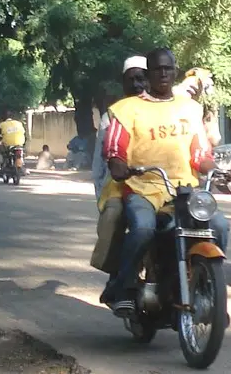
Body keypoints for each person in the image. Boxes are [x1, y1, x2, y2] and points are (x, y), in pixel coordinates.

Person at [100, 48, 231, 317]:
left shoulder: (190, 108)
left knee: (219, 225)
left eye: (168, 69)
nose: (163, 74)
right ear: (148, 74)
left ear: (175, 72)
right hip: (142, 187)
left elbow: (200, 152)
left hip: (183, 190)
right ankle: (123, 288)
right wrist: (118, 164)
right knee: (142, 228)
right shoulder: (127, 109)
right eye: (157, 69)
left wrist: (217, 169)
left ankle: (207, 289)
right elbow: (114, 148)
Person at [91, 55, 149, 290]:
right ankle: (117, 277)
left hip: (162, 185)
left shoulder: (164, 109)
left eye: (141, 78)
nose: (137, 85)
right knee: (112, 216)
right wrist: (101, 198)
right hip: (122, 186)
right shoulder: (112, 116)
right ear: (123, 83)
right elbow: (99, 165)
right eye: (131, 79)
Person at [0, 110, 26, 176]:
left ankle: (2, 167)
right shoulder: (19, 123)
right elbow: (23, 133)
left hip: (7, 145)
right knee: (20, 155)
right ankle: (21, 166)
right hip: (19, 144)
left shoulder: (2, 125)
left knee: (1, 152)